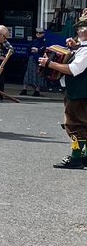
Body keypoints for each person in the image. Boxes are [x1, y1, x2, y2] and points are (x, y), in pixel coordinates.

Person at [38, 14, 87, 169]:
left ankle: (76, 157)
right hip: (80, 91)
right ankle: (84, 156)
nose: (78, 31)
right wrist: (74, 47)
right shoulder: (83, 48)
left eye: (80, 28)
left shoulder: (86, 51)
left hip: (79, 92)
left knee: (74, 124)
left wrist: (49, 64)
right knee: (83, 124)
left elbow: (73, 69)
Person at [20, 28, 48, 97]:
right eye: (37, 33)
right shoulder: (33, 41)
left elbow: (46, 49)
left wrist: (38, 50)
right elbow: (28, 49)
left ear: (43, 34)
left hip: (40, 59)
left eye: (40, 33)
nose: (38, 34)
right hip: (32, 59)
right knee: (28, 73)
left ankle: (37, 90)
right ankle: (24, 89)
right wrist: (31, 50)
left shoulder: (45, 41)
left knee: (39, 74)